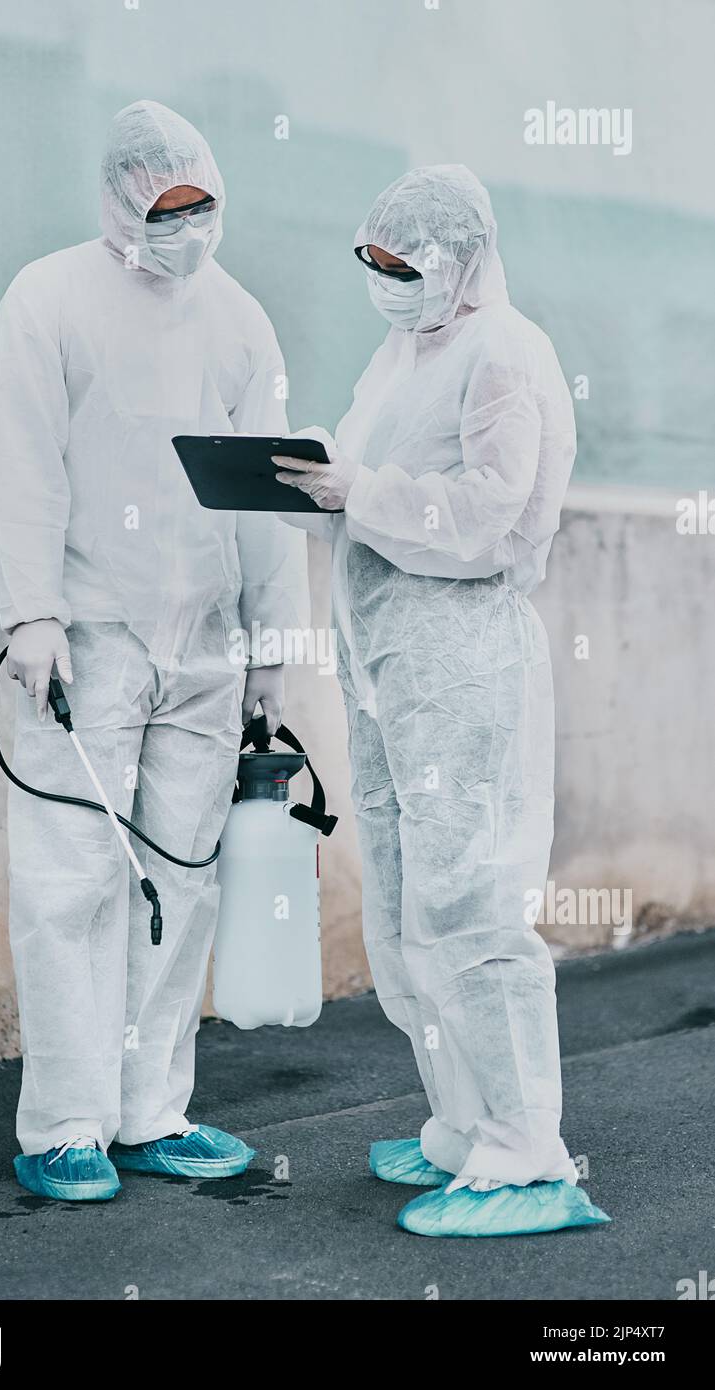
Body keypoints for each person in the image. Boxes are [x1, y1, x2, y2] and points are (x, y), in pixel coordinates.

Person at [0, 100, 307, 1201]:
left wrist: (272, 641)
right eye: (165, 205)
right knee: (72, 883)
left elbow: (271, 490)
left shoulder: (240, 320)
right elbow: (19, 458)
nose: (187, 225)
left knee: (184, 879)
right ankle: (65, 1123)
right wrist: (30, 613)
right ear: (121, 199)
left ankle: (149, 1110)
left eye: (201, 203)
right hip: (87, 642)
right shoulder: (49, 297)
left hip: (206, 644)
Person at [274, 165, 609, 1237]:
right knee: (408, 901)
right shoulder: (400, 355)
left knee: (469, 901)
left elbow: (485, 515)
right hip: (388, 665)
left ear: (459, 258)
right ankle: (462, 1125)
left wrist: (357, 492)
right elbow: (369, 481)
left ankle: (527, 1157)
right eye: (369, 262)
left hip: (460, 661)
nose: (383, 280)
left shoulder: (505, 351)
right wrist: (315, 485)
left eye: (403, 264)